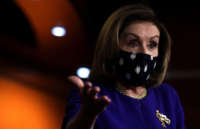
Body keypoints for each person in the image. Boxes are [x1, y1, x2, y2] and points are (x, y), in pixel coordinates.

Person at [61, 4, 186, 129]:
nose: (144, 52)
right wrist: (87, 115)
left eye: (152, 44)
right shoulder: (91, 95)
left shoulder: (167, 95)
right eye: (133, 42)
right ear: (112, 47)